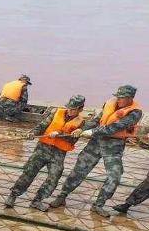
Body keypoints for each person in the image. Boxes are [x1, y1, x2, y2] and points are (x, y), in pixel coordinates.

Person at [50, 85, 143, 217]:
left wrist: (92, 132)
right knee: (80, 169)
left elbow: (115, 127)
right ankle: (62, 196)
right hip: (96, 142)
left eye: (121, 98)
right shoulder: (110, 103)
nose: (118, 100)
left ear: (130, 99)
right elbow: (97, 120)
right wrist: (82, 129)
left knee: (115, 176)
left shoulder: (135, 112)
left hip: (113, 145)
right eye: (117, 97)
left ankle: (98, 204)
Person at [4, 95, 86, 211]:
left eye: (73, 109)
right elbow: (43, 125)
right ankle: (13, 195)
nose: (70, 111)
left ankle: (37, 200)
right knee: (29, 171)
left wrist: (60, 133)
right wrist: (32, 133)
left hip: (58, 153)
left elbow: (73, 140)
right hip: (43, 148)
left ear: (80, 109)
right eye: (69, 108)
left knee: (54, 176)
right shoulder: (56, 113)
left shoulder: (81, 123)